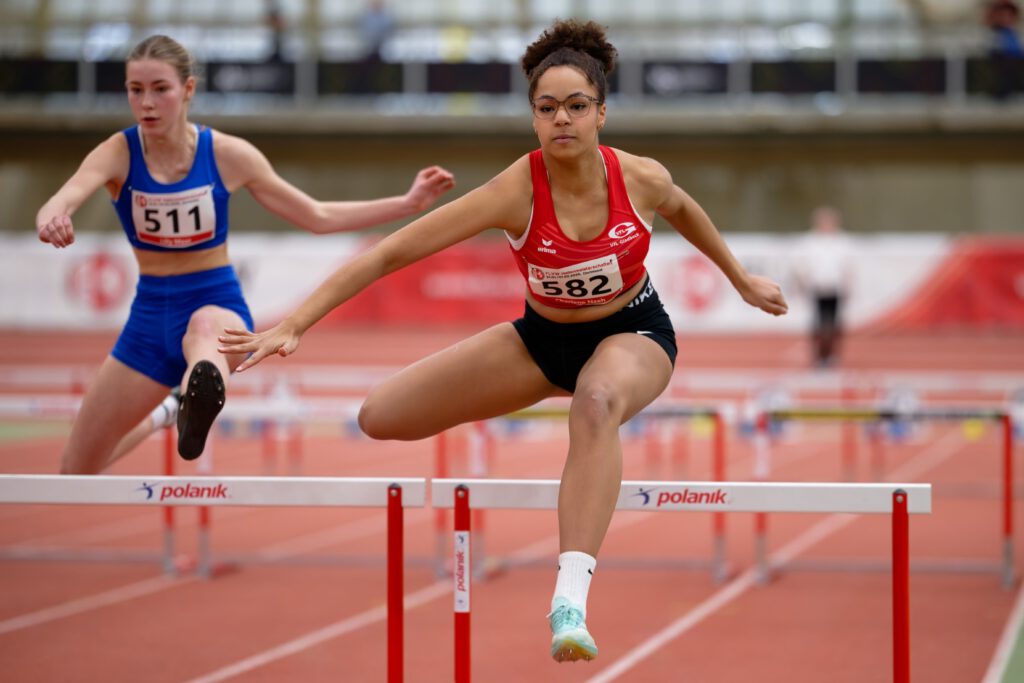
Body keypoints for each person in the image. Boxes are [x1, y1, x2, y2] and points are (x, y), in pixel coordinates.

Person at [219, 19, 787, 663]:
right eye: (547, 108)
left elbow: (683, 209)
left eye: (577, 106)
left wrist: (740, 278)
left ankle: (569, 599)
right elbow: (388, 254)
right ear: (534, 118)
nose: (562, 119)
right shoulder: (514, 190)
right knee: (379, 416)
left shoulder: (641, 177)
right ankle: (564, 395)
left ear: (601, 113)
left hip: (633, 333)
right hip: (540, 341)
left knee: (596, 401)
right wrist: (296, 323)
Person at [35, 34, 455, 474]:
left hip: (215, 302)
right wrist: (52, 219)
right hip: (149, 319)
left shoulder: (226, 154)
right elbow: (62, 199)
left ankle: (200, 392)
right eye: (135, 90)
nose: (147, 103)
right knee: (75, 470)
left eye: (160, 89)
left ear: (188, 89)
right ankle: (172, 410)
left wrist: (406, 203)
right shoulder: (118, 153)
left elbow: (317, 215)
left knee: (205, 332)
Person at [792, 206, 853, 368]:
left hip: (835, 289)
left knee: (834, 324)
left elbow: (848, 267)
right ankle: (818, 356)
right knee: (817, 324)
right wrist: (802, 283)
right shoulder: (809, 242)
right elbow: (801, 266)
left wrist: (847, 285)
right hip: (816, 289)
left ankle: (831, 355)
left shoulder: (842, 242)